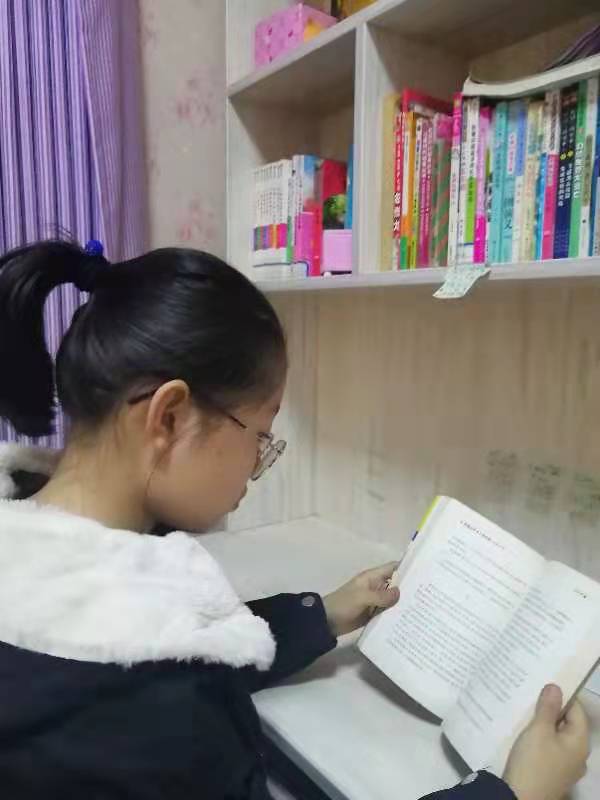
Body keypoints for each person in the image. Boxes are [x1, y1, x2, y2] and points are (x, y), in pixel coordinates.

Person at [0, 240, 590, 800]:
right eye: (260, 433)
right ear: (170, 418)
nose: (259, 462)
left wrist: (320, 614)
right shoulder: (155, 700)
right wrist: (514, 792)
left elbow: (168, 648)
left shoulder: (45, 581)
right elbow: (165, 675)